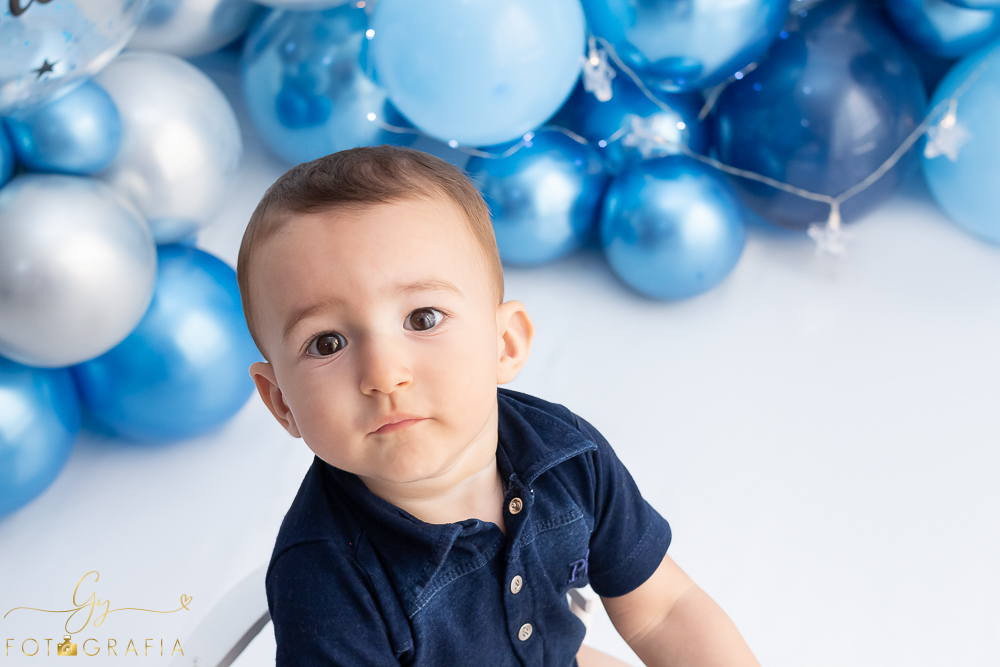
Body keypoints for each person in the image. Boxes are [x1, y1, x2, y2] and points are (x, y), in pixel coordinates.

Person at [237, 145, 760, 666]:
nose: (383, 375)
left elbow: (663, 609)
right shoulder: (325, 579)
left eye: (423, 318)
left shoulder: (566, 455)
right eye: (327, 343)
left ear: (504, 344)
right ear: (281, 402)